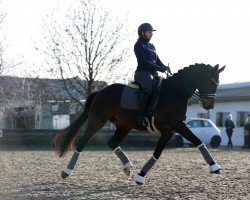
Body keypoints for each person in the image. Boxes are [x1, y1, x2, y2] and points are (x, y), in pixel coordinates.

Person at [134, 23, 171, 126]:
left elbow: (157, 61)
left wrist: (165, 67)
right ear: (142, 33)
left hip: (153, 74)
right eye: (149, 32)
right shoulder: (138, 45)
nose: (151, 34)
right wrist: (160, 68)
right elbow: (143, 62)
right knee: (149, 89)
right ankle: (142, 116)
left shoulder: (151, 46)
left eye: (152, 32)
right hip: (142, 73)